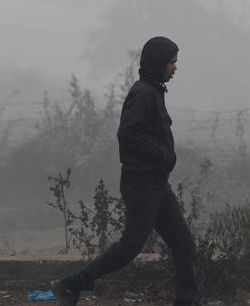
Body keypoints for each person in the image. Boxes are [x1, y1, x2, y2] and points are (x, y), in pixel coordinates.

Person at [50, 36, 199, 306]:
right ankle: (71, 284)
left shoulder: (154, 90)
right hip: (142, 185)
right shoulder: (143, 93)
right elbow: (128, 134)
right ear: (158, 63)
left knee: (184, 246)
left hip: (157, 184)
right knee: (130, 247)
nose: (175, 68)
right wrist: (163, 154)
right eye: (172, 62)